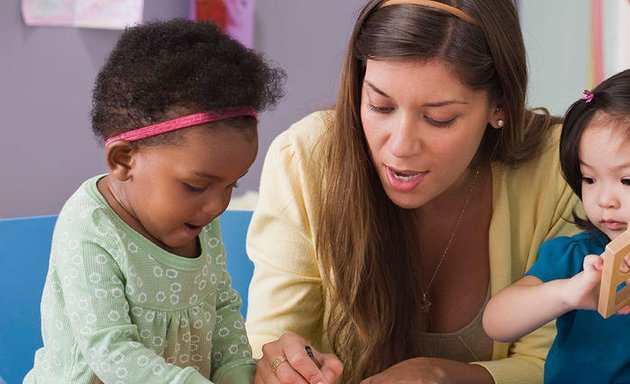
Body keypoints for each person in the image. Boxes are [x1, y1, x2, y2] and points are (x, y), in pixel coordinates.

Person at [245, 0, 582, 383]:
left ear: (499, 105)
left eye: (439, 118)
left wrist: (439, 375)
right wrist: (280, 365)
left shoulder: (565, 169)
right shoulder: (305, 159)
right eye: (380, 106)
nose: (401, 146)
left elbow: (559, 366)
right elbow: (270, 345)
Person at [24, 19, 285, 384]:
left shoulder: (197, 218)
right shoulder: (90, 228)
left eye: (232, 185)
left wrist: (238, 375)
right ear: (123, 160)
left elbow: (222, 308)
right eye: (197, 185)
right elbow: (111, 350)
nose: (217, 205)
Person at [482, 69, 630, 383]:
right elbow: (496, 321)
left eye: (627, 180)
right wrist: (566, 294)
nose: (605, 200)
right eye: (589, 179)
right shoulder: (576, 256)